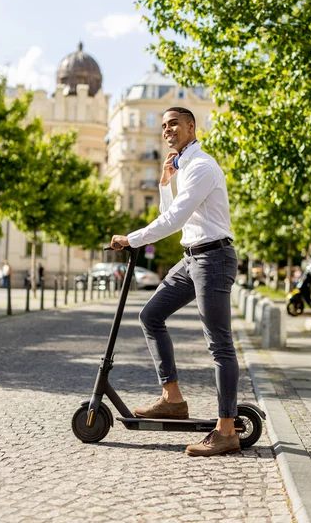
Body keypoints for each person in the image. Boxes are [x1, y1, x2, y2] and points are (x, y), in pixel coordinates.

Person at [111, 107, 239, 457]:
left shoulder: (200, 166)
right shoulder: (184, 168)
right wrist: (165, 183)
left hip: (213, 258)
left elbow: (175, 218)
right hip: (192, 257)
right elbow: (175, 215)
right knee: (151, 315)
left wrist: (132, 238)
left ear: (191, 127)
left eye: (174, 124)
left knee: (220, 346)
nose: (167, 129)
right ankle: (172, 399)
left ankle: (226, 430)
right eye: (164, 125)